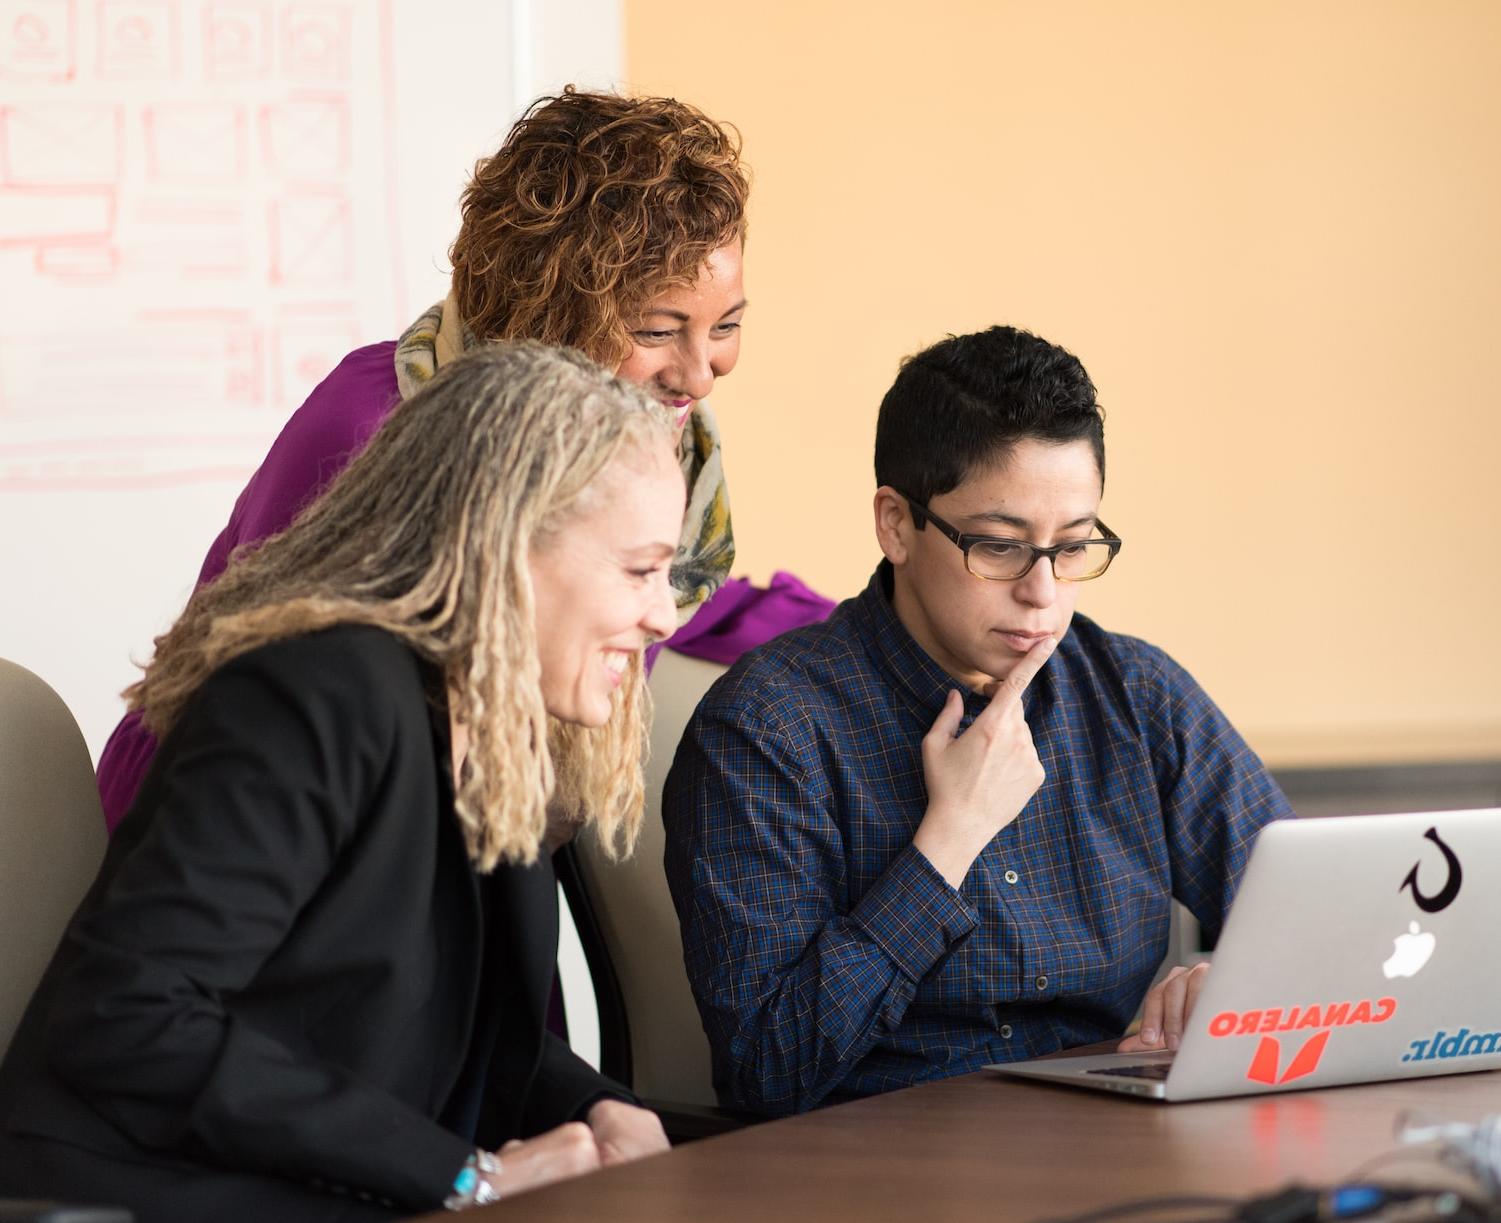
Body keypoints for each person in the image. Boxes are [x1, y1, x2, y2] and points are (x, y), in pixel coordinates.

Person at [0, 344, 684, 1220]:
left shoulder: (498, 728)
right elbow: (130, 1017)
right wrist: (463, 1176)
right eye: (639, 569)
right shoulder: (309, 695)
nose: (664, 613)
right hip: (141, 1197)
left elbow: (474, 1039)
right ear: (506, 545)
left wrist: (601, 1112)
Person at [94, 86, 834, 833]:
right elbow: (261, 695)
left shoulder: (643, 439)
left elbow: (659, 590)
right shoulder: (375, 424)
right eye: (656, 331)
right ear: (552, 313)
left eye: (726, 325)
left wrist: (889, 630)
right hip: (221, 835)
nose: (701, 374)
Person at [662, 325, 1295, 1117]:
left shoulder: (1134, 695)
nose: (1042, 593)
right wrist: (947, 840)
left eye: (1071, 548)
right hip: (869, 1166)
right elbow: (768, 1067)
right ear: (896, 523)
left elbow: (1311, 919)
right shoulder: (767, 730)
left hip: (1108, 1148)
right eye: (999, 547)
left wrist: (1240, 984)